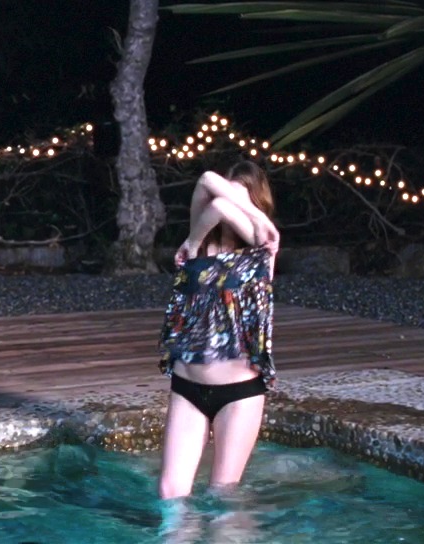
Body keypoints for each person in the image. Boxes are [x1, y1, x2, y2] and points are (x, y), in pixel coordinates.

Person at [157, 160, 280, 500]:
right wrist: (192, 241)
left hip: (238, 393)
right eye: (229, 190)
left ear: (255, 201)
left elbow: (223, 205)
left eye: (243, 196)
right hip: (188, 387)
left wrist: (259, 218)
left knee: (221, 497)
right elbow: (208, 181)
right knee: (169, 492)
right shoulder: (199, 241)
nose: (230, 199)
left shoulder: (262, 244)